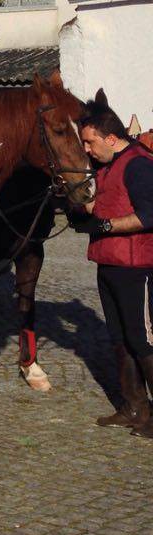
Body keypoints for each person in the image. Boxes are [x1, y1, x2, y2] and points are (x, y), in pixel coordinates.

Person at [73, 99, 153, 438]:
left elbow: (149, 215)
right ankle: (134, 407)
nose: (87, 150)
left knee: (141, 338)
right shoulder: (106, 167)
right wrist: (75, 200)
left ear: (110, 138)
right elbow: (102, 204)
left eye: (90, 142)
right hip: (109, 262)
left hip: (137, 265)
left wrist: (106, 227)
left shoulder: (138, 165)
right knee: (119, 338)